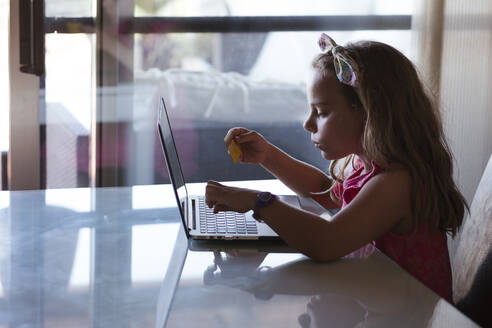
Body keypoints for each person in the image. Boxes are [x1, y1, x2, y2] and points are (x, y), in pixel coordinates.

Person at [204, 33, 468, 303]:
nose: (307, 124)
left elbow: (326, 242)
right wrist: (267, 155)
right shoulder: (366, 163)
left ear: (369, 113)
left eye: (321, 112)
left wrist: (256, 202)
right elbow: (325, 191)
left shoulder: (396, 183)